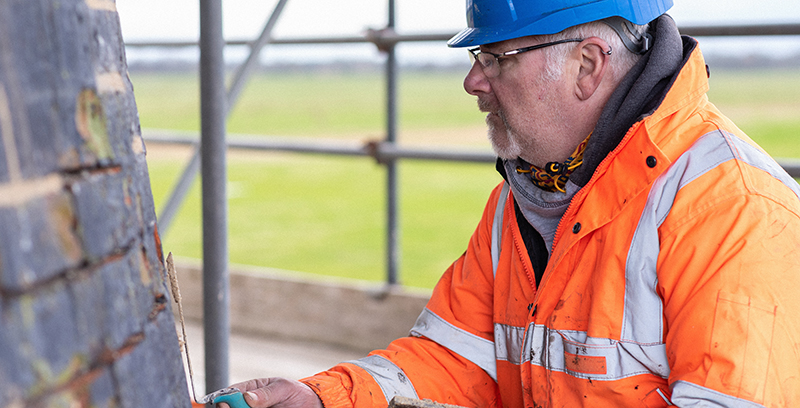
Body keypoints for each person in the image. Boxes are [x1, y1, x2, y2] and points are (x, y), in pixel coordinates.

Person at [220, 0, 800, 406]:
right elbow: (454, 363)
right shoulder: (525, 201)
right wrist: (323, 401)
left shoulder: (734, 214)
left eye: (496, 57)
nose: (474, 82)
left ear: (588, 65)